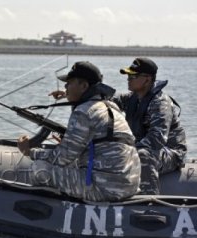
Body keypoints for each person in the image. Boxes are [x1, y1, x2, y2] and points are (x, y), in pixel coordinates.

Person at [18, 61, 141, 202]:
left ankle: (43, 212)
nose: (65, 86)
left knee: (39, 168)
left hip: (104, 188)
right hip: (129, 188)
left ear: (84, 86)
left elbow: (61, 158)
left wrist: (30, 151)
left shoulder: (84, 111)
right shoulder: (112, 108)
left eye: (69, 82)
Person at [113, 57, 187, 194]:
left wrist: (127, 149)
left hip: (170, 151)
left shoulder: (161, 103)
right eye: (128, 75)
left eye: (133, 76)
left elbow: (156, 139)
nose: (128, 78)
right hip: (143, 146)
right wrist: (75, 96)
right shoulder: (131, 98)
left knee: (143, 155)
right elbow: (104, 99)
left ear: (147, 79)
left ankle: (150, 201)